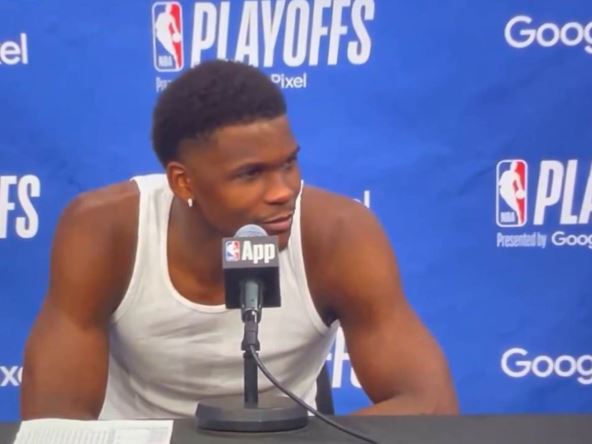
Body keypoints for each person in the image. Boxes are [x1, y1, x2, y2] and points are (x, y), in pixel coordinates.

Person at [20, 60, 458, 419]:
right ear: (183, 182)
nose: (284, 191)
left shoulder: (338, 234)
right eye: (251, 174)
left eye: (288, 164)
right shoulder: (104, 231)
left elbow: (431, 404)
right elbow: (55, 421)